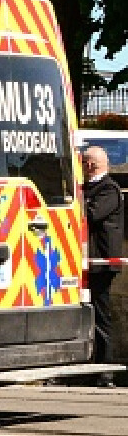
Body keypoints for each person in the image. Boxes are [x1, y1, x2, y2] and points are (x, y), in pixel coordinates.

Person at [83, 145, 124, 387]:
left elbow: (91, 214)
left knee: (102, 317)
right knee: (91, 317)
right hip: (88, 263)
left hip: (101, 263)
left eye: (86, 162)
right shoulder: (89, 188)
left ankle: (105, 372)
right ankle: (91, 369)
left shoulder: (108, 188)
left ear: (92, 164)